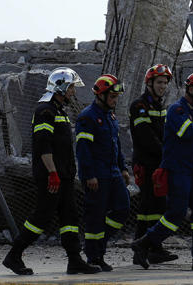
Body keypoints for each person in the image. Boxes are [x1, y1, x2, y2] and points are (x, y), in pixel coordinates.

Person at [2, 67, 100, 275]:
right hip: (51, 175)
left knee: (70, 217)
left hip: (63, 174)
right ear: (61, 87)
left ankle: (74, 260)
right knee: (42, 216)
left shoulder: (58, 110)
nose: (74, 91)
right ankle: (14, 255)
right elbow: (43, 145)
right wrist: (52, 173)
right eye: (72, 87)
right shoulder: (45, 110)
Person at [131, 70, 193, 271]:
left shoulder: (191, 110)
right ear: (190, 89)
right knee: (176, 213)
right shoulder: (177, 110)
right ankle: (144, 243)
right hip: (178, 171)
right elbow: (188, 134)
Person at [75, 74, 132, 271]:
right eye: (113, 97)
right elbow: (83, 150)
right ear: (101, 96)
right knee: (95, 216)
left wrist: (123, 168)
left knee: (123, 208)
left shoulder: (110, 116)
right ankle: (94, 256)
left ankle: (99, 245)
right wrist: (89, 174)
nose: (115, 101)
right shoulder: (87, 117)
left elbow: (115, 146)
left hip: (113, 173)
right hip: (97, 175)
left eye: (116, 97)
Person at [128, 64, 178, 265]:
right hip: (147, 163)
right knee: (151, 205)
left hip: (158, 162)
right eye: (159, 82)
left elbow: (164, 133)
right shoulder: (139, 106)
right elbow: (146, 137)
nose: (163, 86)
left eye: (165, 83)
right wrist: (167, 152)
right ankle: (149, 248)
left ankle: (145, 249)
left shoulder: (159, 106)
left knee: (151, 207)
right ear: (149, 83)